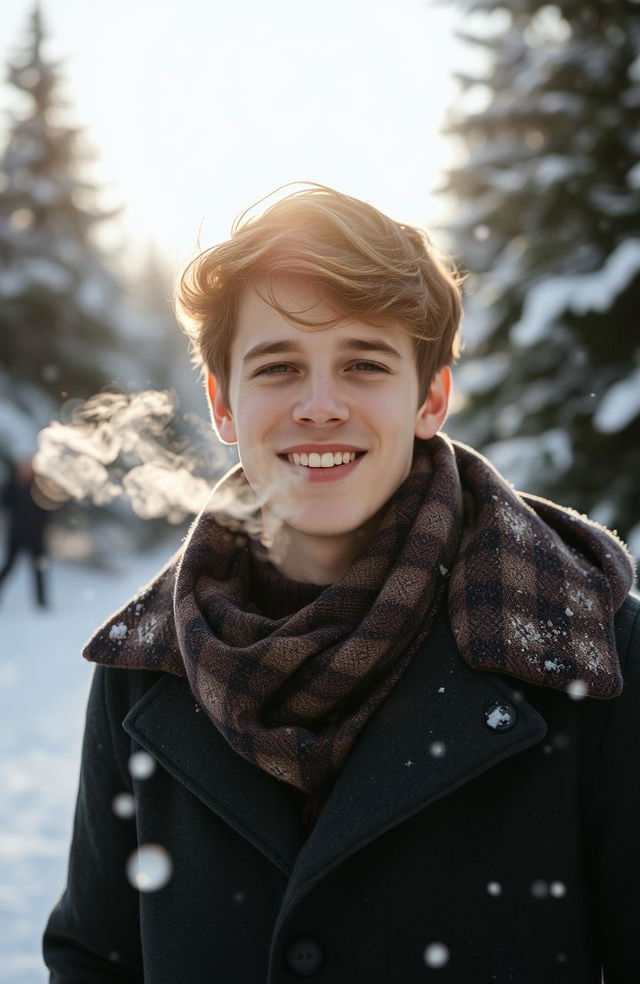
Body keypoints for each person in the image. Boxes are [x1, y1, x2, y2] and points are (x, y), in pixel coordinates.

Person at [43, 184, 638, 983]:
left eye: (364, 364)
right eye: (280, 367)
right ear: (223, 402)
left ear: (429, 397)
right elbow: (94, 959)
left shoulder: (588, 644)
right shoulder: (146, 665)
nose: (320, 407)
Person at [0, 456, 51, 607]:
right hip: (16, 535)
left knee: (39, 569)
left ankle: (41, 602)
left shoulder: (41, 486)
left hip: (36, 535)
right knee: (8, 567)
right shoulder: (13, 485)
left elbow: (50, 507)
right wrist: (14, 483)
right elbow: (5, 503)